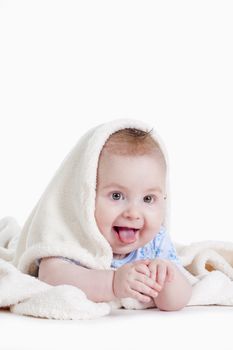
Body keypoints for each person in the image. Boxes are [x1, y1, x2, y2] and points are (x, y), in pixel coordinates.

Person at [37, 125, 192, 311]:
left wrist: (166, 277)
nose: (133, 213)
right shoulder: (75, 235)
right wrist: (112, 283)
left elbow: (177, 302)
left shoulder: (156, 243)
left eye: (148, 199)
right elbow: (49, 276)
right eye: (116, 196)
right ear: (85, 195)